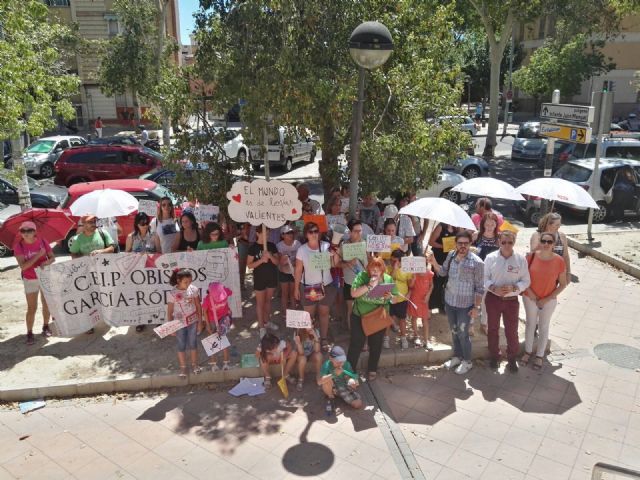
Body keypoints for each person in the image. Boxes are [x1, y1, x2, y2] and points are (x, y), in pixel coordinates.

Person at [428, 231, 484, 375]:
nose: (463, 246)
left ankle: (467, 361)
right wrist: (433, 261)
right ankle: (457, 357)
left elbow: (480, 288)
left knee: (463, 334)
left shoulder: (477, 262)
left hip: (465, 306)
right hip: (450, 302)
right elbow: (442, 272)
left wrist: (476, 307)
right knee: (454, 332)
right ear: (456, 244)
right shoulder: (451, 256)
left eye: (466, 243)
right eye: (460, 243)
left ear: (470, 244)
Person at [483, 231, 531, 372]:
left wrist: (515, 287)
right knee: (492, 329)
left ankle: (511, 358)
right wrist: (493, 288)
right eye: (503, 242)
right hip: (493, 299)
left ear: (514, 242)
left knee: (512, 331)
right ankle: (494, 356)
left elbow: (526, 280)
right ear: (499, 242)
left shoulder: (520, 260)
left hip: (511, 301)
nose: (506, 245)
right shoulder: (490, 258)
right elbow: (484, 278)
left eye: (510, 242)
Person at [522, 232, 568, 370]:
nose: (546, 244)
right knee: (530, 325)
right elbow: (523, 279)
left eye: (549, 242)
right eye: (544, 241)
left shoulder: (559, 261)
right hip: (530, 297)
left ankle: (539, 356)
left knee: (543, 326)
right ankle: (527, 352)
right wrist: (532, 294)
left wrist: (546, 299)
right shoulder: (530, 257)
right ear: (540, 242)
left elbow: (563, 284)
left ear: (554, 244)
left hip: (548, 300)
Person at [347, 257, 397, 381]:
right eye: (372, 269)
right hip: (359, 316)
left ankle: (372, 369)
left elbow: (395, 299)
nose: (374, 272)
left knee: (376, 344)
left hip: (377, 317)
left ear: (382, 270)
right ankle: (349, 370)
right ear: (368, 269)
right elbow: (353, 294)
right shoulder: (361, 276)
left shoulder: (387, 279)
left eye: (377, 269)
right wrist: (369, 285)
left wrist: (390, 297)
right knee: (356, 344)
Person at [294, 222, 339, 351]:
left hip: (326, 285)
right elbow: (298, 270)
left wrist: (336, 253)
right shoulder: (302, 250)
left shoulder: (326, 246)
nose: (314, 234)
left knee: (324, 313)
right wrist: (296, 288)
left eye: (316, 231)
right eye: (310, 232)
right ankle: (309, 340)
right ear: (306, 234)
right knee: (309, 315)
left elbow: (334, 264)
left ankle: (323, 339)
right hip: (308, 286)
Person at [70, 215, 117, 334]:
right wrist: (85, 258)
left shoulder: (102, 233)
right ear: (83, 224)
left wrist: (101, 251)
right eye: (90, 222)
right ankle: (89, 323)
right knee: (88, 298)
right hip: (87, 274)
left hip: (104, 272)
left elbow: (112, 248)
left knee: (106, 296)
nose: (93, 223)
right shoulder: (77, 239)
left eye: (94, 221)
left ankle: (108, 318)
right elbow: (73, 255)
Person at [14, 221, 55, 345]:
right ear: (20, 232)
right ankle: (30, 333)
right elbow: (23, 267)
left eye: (29, 230)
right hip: (30, 279)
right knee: (32, 308)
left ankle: (45, 326)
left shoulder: (42, 241)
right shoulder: (18, 247)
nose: (26, 233)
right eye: (23, 231)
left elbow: (53, 257)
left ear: (34, 231)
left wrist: (46, 262)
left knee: (46, 304)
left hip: (44, 276)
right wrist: (38, 256)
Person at [166, 268, 203, 377]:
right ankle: (183, 369)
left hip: (192, 322)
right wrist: (170, 327)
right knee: (181, 345)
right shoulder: (172, 293)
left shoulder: (194, 289)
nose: (188, 284)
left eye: (190, 281)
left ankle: (195, 365)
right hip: (179, 323)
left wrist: (200, 322)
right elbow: (170, 311)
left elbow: (198, 306)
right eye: (185, 282)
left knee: (193, 344)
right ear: (178, 280)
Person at [247, 227, 280, 338]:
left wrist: (270, 256)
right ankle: (261, 327)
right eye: (264, 233)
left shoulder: (272, 245)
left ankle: (267, 321)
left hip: (271, 277)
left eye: (268, 233)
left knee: (268, 301)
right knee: (260, 303)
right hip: (259, 278)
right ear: (257, 233)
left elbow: (277, 262)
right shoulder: (253, 248)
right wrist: (261, 260)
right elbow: (249, 265)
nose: (267, 235)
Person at [340, 219, 368, 331]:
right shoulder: (344, 245)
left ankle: (364, 337)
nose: (358, 233)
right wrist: (347, 264)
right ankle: (354, 336)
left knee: (364, 310)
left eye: (360, 231)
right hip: (349, 283)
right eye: (356, 231)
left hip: (363, 282)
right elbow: (336, 264)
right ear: (350, 232)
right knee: (351, 311)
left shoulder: (365, 243)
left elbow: (369, 262)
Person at [318, 346, 363, 412]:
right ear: (331, 358)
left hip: (343, 387)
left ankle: (339, 395)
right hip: (331, 387)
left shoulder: (347, 364)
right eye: (338, 361)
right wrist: (333, 374)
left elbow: (351, 377)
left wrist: (353, 382)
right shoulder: (327, 364)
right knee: (326, 380)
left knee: (358, 404)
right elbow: (319, 382)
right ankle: (331, 397)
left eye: (342, 361)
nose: (341, 364)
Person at [384, 249, 413, 350]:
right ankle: (386, 338)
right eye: (391, 260)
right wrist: (394, 270)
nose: (392, 262)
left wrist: (409, 293)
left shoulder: (407, 270)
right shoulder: (387, 269)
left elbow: (411, 285)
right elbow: (388, 282)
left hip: (402, 299)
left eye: (395, 260)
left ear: (401, 261)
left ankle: (403, 337)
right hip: (390, 298)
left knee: (402, 319)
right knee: (388, 319)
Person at [530, 212, 571, 284]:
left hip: (556, 273)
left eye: (559, 224)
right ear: (548, 224)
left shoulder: (562, 236)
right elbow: (533, 252)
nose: (559, 227)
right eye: (557, 225)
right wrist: (545, 238)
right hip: (540, 272)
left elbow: (566, 256)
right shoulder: (537, 235)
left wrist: (568, 272)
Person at [202, 282, 234, 371]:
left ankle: (222, 363)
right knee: (216, 341)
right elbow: (204, 312)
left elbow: (204, 312)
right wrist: (207, 325)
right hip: (215, 321)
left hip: (221, 320)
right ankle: (217, 363)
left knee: (220, 341)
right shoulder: (208, 299)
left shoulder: (208, 299)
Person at [428, 223, 458, 312]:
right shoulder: (440, 226)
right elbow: (431, 242)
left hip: (451, 258)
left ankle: (443, 305)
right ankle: (432, 304)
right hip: (439, 257)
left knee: (447, 282)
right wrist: (444, 246)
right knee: (437, 281)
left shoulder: (456, 228)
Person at [408, 258, 434, 349]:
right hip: (415, 298)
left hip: (424, 300)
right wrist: (413, 279)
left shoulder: (429, 274)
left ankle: (426, 341)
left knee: (425, 319)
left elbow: (431, 285)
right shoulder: (414, 274)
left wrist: (428, 295)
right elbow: (410, 286)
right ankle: (416, 336)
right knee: (414, 317)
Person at [277, 224, 301, 315]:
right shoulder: (279, 245)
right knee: (284, 294)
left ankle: (293, 314)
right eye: (287, 233)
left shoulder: (298, 244)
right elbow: (281, 262)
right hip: (284, 272)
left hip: (295, 272)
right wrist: (285, 261)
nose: (290, 234)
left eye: (291, 232)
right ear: (282, 235)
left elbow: (300, 260)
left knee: (292, 293)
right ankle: (284, 313)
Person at [294, 327, 323, 391]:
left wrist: (315, 336)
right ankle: (301, 378)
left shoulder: (316, 331)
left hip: (311, 353)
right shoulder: (297, 332)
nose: (310, 326)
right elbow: (301, 353)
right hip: (301, 355)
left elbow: (317, 350)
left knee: (319, 356)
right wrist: (298, 343)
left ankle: (318, 375)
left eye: (311, 323)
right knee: (303, 359)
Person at [236, 223, 251, 289]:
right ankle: (239, 284)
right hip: (242, 244)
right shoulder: (239, 222)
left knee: (244, 265)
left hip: (250, 244)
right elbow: (236, 235)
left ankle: (241, 283)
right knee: (241, 265)